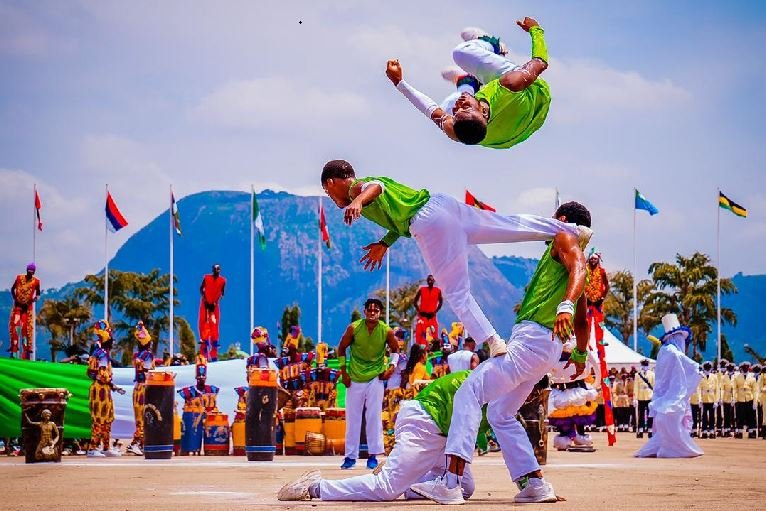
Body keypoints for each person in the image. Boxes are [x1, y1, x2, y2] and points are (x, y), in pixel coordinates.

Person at [410, 201, 592, 505]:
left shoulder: (564, 237)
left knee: (469, 392)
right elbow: (583, 318)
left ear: (561, 220)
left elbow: (579, 269)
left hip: (532, 343)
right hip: (546, 350)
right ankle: (535, 484)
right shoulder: (569, 264)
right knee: (500, 413)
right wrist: (581, 354)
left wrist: (564, 306)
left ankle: (451, 482)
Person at [321, 159, 589, 360]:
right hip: (441, 205)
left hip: (429, 224)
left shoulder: (359, 189)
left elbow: (373, 188)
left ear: (332, 183)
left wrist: (357, 202)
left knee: (457, 293)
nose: (332, 200)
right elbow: (397, 214)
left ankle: (494, 342)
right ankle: (572, 230)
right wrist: (384, 243)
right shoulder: (369, 190)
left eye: (328, 192)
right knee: (505, 225)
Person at [277, 371, 487, 502]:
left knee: (464, 487)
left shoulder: (505, 392)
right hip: (425, 422)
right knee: (386, 489)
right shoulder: (488, 382)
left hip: (444, 434)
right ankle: (315, 487)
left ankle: (407, 477)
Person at [387, 18, 550, 149]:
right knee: (461, 54)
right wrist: (535, 29)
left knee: (446, 106)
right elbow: (540, 62)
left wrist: (399, 82)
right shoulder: (511, 84)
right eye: (465, 107)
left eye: (456, 112)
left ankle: (466, 82)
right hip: (531, 95)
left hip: (512, 130)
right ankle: (492, 45)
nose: (459, 105)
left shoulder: (456, 129)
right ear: (484, 113)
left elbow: (430, 109)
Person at [337, 298, 400, 470]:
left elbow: (396, 349)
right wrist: (344, 372)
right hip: (355, 376)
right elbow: (341, 348)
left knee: (373, 417)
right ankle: (350, 457)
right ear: (365, 311)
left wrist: (392, 367)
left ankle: (373, 455)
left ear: (380, 313)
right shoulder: (354, 328)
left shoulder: (385, 331)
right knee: (353, 417)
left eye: (376, 310)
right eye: (369, 310)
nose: (372, 313)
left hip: (376, 378)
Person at [635, 314, 702, 458]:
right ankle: (671, 448)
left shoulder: (665, 351)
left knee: (673, 422)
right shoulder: (671, 351)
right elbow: (686, 362)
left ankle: (668, 447)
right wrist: (696, 367)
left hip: (667, 393)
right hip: (671, 394)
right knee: (672, 421)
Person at [86, 320, 125, 457]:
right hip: (99, 390)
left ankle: (106, 446)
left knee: (107, 418)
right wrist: (111, 384)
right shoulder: (100, 353)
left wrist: (112, 386)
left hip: (104, 389)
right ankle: (93, 447)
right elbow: (97, 373)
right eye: (111, 339)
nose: (113, 342)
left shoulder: (102, 353)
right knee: (99, 418)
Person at [177, 355, 219, 455]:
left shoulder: (211, 390)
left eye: (203, 378)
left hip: (207, 416)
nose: (201, 380)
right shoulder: (189, 391)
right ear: (196, 378)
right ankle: (187, 449)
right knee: (190, 433)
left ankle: (200, 450)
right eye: (199, 378)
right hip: (192, 415)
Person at [128, 321, 154, 455]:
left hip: (137, 388)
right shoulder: (148, 356)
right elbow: (150, 373)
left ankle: (141, 443)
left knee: (140, 418)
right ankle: (135, 443)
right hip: (144, 388)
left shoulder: (137, 356)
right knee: (143, 418)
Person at [8, 263, 41, 359]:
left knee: (26, 329)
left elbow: (38, 294)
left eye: (32, 272)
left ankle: (26, 353)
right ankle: (14, 351)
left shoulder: (36, 282)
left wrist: (34, 299)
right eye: (29, 271)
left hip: (27, 309)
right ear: (26, 271)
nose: (30, 273)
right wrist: (15, 298)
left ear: (34, 272)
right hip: (17, 307)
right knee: (15, 327)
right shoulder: (19, 278)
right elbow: (12, 289)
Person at [198, 264, 226, 361]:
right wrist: (205, 299)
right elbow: (201, 288)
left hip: (214, 306)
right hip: (205, 305)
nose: (216, 270)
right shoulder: (207, 278)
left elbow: (222, 293)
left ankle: (214, 354)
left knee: (214, 326)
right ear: (212, 270)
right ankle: (203, 352)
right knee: (204, 325)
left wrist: (215, 302)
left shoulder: (222, 281)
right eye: (215, 269)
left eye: (218, 269)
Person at [413, 275, 443, 348]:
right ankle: (419, 349)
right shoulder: (422, 290)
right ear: (427, 281)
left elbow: (441, 301)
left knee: (434, 334)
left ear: (434, 281)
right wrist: (419, 310)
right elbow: (415, 301)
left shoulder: (437, 291)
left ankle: (435, 350)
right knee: (419, 334)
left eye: (432, 280)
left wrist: (436, 310)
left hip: (432, 316)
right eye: (429, 280)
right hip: (423, 316)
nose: (430, 281)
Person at [733, 361, 757, 438]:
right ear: (741, 368)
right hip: (740, 399)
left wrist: (755, 401)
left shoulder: (752, 378)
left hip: (749, 399)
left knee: (750, 416)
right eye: (743, 368)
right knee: (740, 416)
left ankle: (751, 432)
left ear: (748, 368)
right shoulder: (737, 377)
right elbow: (734, 389)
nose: (745, 369)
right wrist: (734, 399)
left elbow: (755, 390)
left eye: (746, 368)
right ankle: (739, 432)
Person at [634, 359, 655, 438]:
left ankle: (650, 430)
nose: (645, 367)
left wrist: (654, 397)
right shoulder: (637, 375)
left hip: (650, 396)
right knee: (641, 415)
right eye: (643, 365)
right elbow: (636, 386)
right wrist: (635, 398)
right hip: (641, 397)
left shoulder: (652, 374)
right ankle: (640, 430)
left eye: (646, 365)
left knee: (650, 414)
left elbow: (654, 386)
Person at [698, 361, 718, 439]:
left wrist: (716, 400)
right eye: (706, 368)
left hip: (712, 398)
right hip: (704, 399)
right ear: (704, 368)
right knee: (704, 416)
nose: (707, 369)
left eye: (709, 368)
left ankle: (712, 431)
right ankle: (704, 431)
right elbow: (699, 389)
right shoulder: (701, 376)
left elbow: (717, 389)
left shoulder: (714, 377)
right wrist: (700, 399)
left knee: (712, 416)